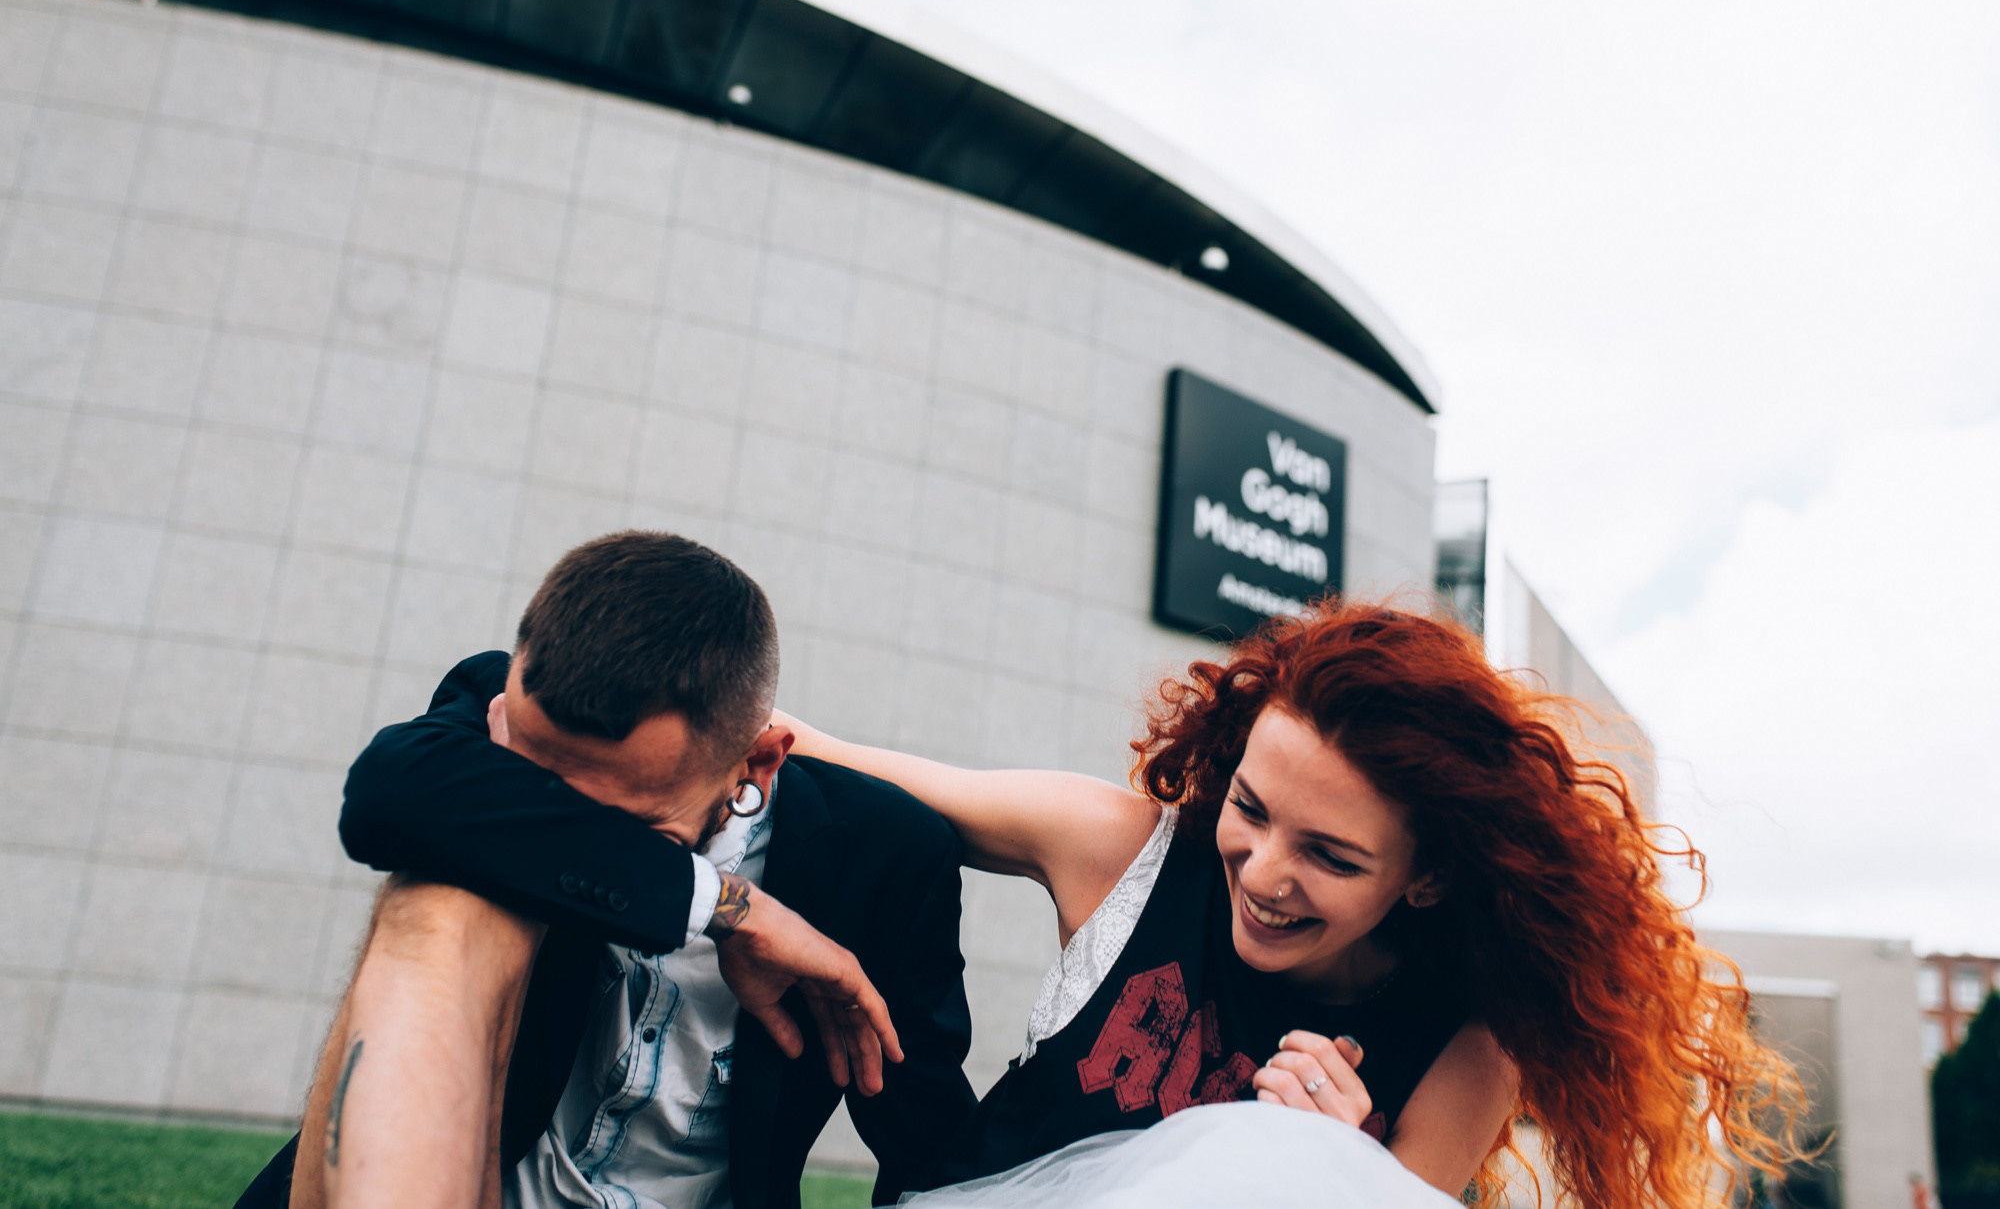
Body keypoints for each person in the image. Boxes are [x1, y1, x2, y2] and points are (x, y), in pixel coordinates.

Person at [776, 598, 1806, 1209]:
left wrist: (1344, 1172)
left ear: (1426, 876)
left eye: (1329, 855)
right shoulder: (1125, 851)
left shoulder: (1470, 1042)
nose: (1264, 872)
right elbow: (820, 759)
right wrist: (738, 903)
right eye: (1251, 809)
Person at [236, 532, 976, 1209]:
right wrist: (729, 907)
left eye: (626, 827)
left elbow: (929, 1146)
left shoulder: (886, 852)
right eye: (540, 793)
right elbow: (381, 798)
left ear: (756, 763)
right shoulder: (490, 709)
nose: (574, 833)